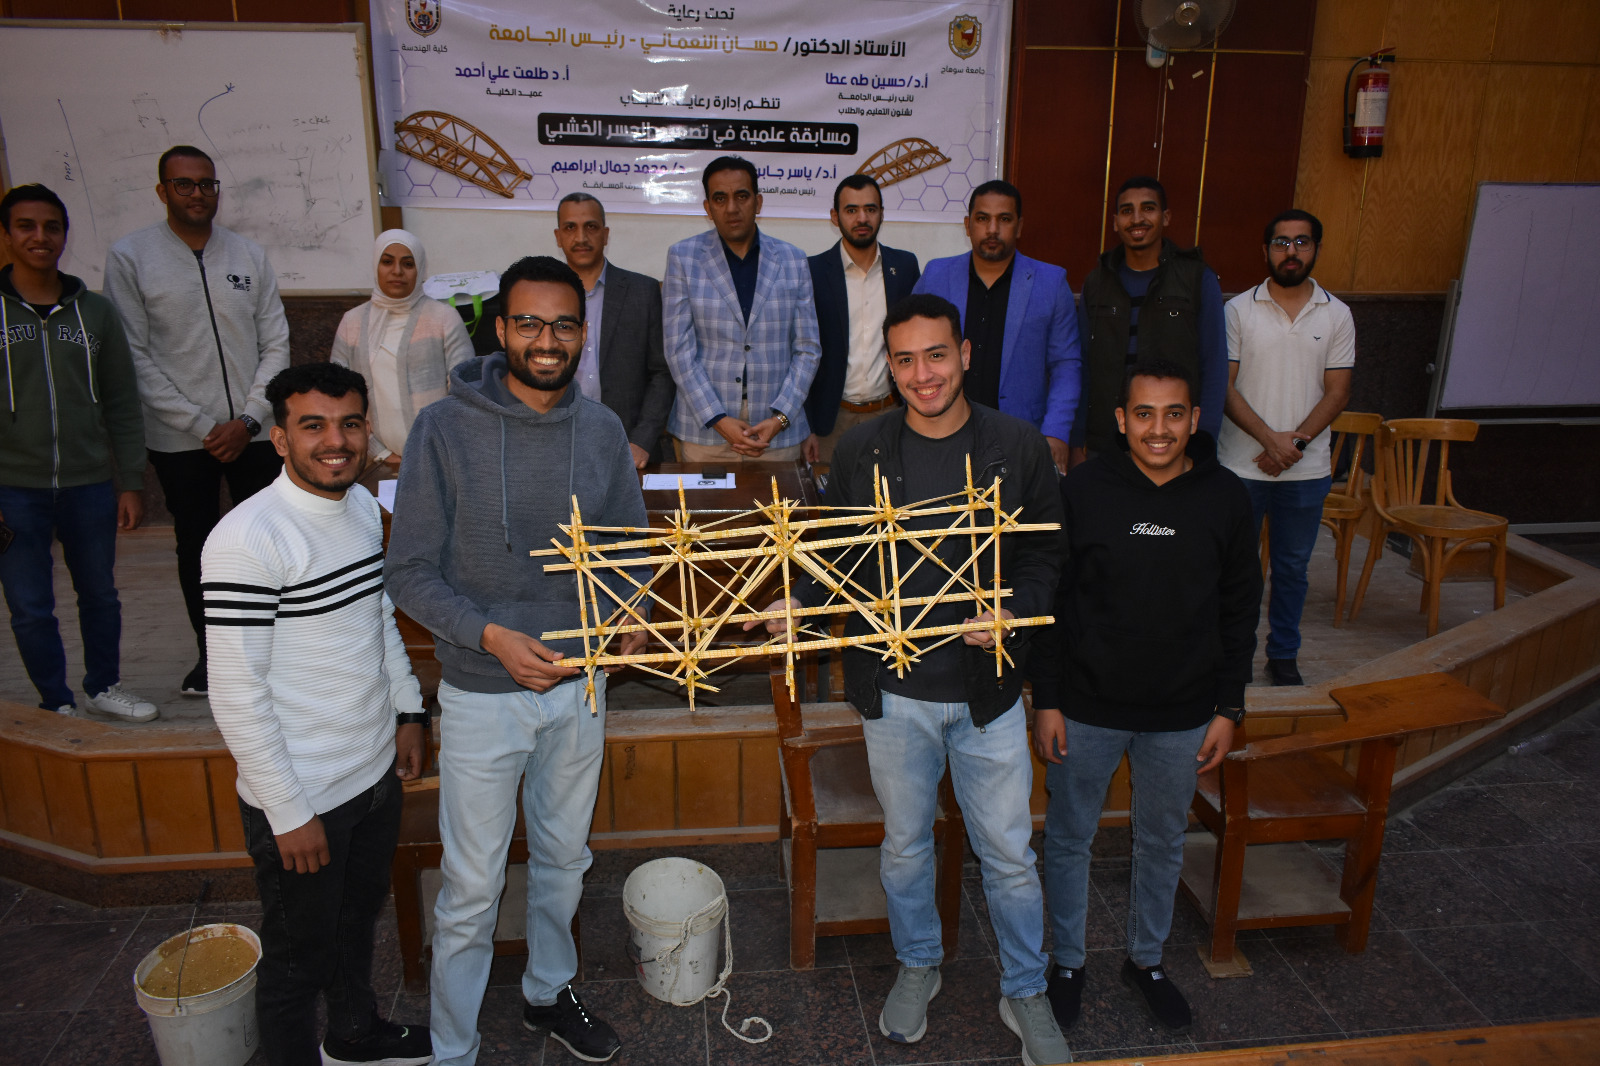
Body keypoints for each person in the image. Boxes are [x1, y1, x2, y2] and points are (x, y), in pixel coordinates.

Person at [750, 294, 1070, 1066]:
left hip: (989, 694)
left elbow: (1047, 553)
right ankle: (919, 962)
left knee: (1010, 855)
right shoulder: (862, 449)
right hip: (895, 696)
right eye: (904, 360)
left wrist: (1014, 611)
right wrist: (799, 601)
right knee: (904, 846)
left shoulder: (1017, 445)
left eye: (936, 355)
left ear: (964, 354)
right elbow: (837, 554)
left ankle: (1026, 987)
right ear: (889, 368)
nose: (923, 375)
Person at [385, 256, 648, 1065]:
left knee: (566, 859)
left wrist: (630, 608)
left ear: (582, 334)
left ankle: (547, 992)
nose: (547, 340)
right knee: (472, 885)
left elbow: (628, 552)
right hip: (481, 690)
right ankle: (452, 1047)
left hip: (579, 687)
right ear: (500, 330)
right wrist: (491, 636)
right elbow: (409, 571)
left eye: (563, 324)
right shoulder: (443, 428)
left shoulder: (601, 431)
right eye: (529, 322)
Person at [202, 362, 431, 1066]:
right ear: (279, 439)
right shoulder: (247, 539)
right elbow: (235, 693)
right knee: (296, 963)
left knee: (355, 923)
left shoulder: (360, 508)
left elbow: (377, 619)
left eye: (350, 424)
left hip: (372, 777)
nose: (336, 441)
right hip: (304, 798)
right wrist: (288, 811)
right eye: (314, 426)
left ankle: (354, 1033)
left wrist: (408, 710)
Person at [1030, 360, 1260, 1037]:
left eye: (1174, 414)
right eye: (1144, 414)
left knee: (1161, 840)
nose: (1159, 429)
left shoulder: (1226, 496)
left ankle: (1147, 961)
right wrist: (1047, 699)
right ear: (1121, 419)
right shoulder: (1083, 490)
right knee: (1068, 839)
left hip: (1183, 713)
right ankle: (1068, 963)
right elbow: (1052, 602)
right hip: (1086, 708)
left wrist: (1229, 707)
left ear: (1195, 419)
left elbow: (1240, 609)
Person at [104, 144, 290, 698]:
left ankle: (277, 650)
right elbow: (133, 355)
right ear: (163, 191)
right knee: (200, 547)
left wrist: (249, 419)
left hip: (254, 432)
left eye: (207, 184)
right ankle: (215, 657)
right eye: (184, 184)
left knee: (267, 542)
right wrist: (202, 424)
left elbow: (276, 342)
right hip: (181, 439)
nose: (197, 194)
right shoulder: (131, 257)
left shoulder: (248, 255)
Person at [0, 184, 155, 722]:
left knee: (100, 594)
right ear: (7, 235)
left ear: (65, 235)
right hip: (12, 488)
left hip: (87, 483)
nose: (40, 237)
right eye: (26, 226)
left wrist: (130, 479)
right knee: (29, 605)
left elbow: (121, 401)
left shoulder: (96, 313)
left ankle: (103, 686)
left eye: (52, 227)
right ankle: (56, 702)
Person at [1220, 209, 1354, 686]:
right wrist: (1268, 440)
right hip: (1240, 466)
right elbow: (1223, 387)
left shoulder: (1336, 314)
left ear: (1315, 248)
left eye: (1301, 242)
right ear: (1266, 250)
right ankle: (1233, 655)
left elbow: (1338, 392)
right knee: (1236, 571)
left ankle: (1283, 654)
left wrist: (1290, 445)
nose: (1291, 251)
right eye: (1281, 242)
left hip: (1305, 469)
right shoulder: (1237, 310)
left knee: (1292, 569)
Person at [912, 180, 1080, 474]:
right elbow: (909, 349)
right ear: (968, 225)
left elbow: (1065, 365)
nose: (992, 229)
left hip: (1022, 437)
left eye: (1004, 219)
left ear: (1019, 226)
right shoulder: (936, 275)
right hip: (942, 434)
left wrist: (1056, 432)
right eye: (982, 219)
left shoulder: (1051, 284)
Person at [662, 155, 821, 463]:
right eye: (720, 198)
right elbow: (678, 350)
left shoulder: (793, 260)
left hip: (776, 432)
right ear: (708, 208)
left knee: (778, 499)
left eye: (742, 196)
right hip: (706, 431)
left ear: (758, 202)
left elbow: (808, 349)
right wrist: (718, 418)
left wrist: (781, 418)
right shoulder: (683, 258)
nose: (731, 208)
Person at [1074, 176, 1226, 461]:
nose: (1137, 219)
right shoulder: (1097, 282)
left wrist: (1203, 441)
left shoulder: (1196, 279)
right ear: (1115, 222)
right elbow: (1081, 366)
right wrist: (1076, 440)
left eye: (1148, 208)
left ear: (1165, 217)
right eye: (1127, 211)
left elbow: (1214, 366)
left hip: (1172, 441)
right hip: (1105, 441)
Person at [330, 228, 473, 470]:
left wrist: (435, 448)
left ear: (420, 269)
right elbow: (337, 395)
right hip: (370, 461)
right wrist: (378, 452)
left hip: (439, 457)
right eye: (387, 262)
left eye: (408, 264)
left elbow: (464, 392)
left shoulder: (443, 318)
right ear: (376, 265)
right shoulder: (352, 322)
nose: (397, 271)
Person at [801, 174, 920, 465]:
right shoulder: (812, 271)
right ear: (835, 216)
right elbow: (801, 350)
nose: (862, 218)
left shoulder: (905, 267)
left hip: (891, 414)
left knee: (891, 493)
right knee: (830, 495)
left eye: (870, 209)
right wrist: (806, 427)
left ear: (882, 214)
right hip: (831, 421)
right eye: (851, 210)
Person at [551, 192, 675, 468]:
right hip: (557, 445)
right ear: (558, 237)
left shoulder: (642, 292)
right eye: (570, 227)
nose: (581, 237)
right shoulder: (542, 295)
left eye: (591, 227)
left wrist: (642, 440)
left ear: (606, 234)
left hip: (629, 448)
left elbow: (662, 373)